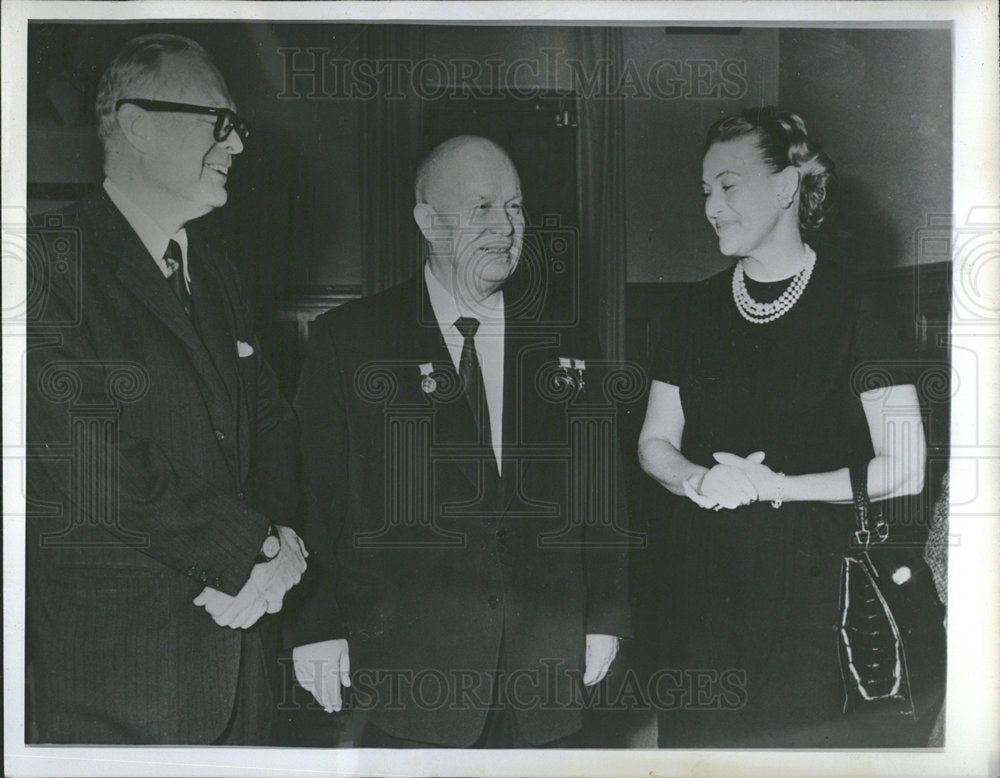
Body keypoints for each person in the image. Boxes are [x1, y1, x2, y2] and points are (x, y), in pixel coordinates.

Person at [290, 135, 632, 748]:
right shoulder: (351, 340)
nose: (506, 226)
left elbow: (601, 489)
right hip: (412, 669)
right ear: (428, 222)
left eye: (516, 207)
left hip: (544, 665)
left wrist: (606, 615)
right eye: (483, 208)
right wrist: (316, 624)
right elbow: (314, 495)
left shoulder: (568, 339)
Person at [26, 34, 306, 744]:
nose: (236, 144)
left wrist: (283, 545)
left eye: (238, 128)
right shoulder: (43, 262)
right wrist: (253, 550)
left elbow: (271, 423)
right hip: (119, 686)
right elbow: (91, 458)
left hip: (243, 674)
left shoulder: (219, 276)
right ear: (137, 123)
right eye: (220, 122)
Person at [637, 108, 928, 747]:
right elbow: (654, 443)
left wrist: (775, 487)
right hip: (703, 591)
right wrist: (699, 478)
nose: (711, 206)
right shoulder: (691, 310)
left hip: (818, 595)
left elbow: (906, 467)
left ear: (787, 186)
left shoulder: (859, 306)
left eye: (728, 186)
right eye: (705, 190)